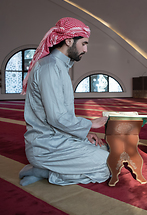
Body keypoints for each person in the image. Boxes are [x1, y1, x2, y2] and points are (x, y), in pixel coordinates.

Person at [19, 17, 110, 186]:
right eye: (84, 43)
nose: (86, 49)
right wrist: (90, 124)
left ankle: (50, 169)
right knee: (109, 165)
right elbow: (57, 118)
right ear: (69, 41)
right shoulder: (50, 68)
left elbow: (60, 116)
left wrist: (82, 134)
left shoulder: (59, 66)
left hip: (59, 140)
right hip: (47, 146)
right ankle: (43, 171)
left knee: (105, 149)